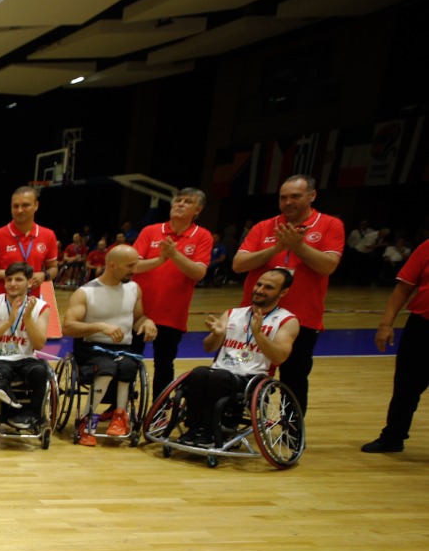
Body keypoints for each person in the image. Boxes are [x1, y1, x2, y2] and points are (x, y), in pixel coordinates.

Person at [232, 175, 344, 414]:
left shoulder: (330, 225)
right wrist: (276, 249)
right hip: (256, 316)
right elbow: (239, 264)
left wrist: (298, 246)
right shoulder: (263, 226)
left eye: (295, 196)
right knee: (241, 371)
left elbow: (328, 266)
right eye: (283, 197)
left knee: (294, 378)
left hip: (302, 318)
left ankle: (291, 435)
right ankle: (233, 426)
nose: (288, 202)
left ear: (312, 196)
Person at [180, 269, 298, 446]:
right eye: (259, 284)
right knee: (198, 373)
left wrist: (258, 334)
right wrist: (217, 335)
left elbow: (279, 356)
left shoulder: (287, 320)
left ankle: (216, 430)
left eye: (268, 287)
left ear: (283, 292)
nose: (260, 290)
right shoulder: (233, 313)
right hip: (220, 371)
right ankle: (194, 428)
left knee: (219, 378)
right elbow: (208, 347)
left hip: (252, 378)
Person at [61, 244, 156, 444]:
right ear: (112, 265)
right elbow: (68, 327)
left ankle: (120, 416)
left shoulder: (134, 288)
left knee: (129, 366)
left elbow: (138, 318)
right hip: (92, 348)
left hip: (123, 349)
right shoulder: (86, 292)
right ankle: (86, 420)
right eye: (130, 266)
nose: (134, 270)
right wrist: (99, 326)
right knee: (106, 368)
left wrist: (147, 322)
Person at [131, 188, 213, 394]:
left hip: (172, 315)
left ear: (198, 209)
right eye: (178, 200)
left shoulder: (202, 236)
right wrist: (160, 260)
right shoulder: (150, 231)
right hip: (137, 312)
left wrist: (174, 255)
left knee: (164, 364)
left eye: (187, 201)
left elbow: (199, 273)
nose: (180, 204)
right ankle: (118, 408)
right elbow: (133, 266)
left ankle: (159, 411)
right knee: (128, 361)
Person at [361, 238, 429, 453]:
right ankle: (393, 437)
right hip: (423, 326)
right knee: (406, 386)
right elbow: (404, 287)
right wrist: (385, 324)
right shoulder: (427, 247)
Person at [0, 261, 52, 427]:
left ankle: (32, 415)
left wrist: (27, 319)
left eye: (18, 279)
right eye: (9, 279)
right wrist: (8, 322)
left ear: (30, 282)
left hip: (26, 358)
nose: (12, 284)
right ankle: (4, 402)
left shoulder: (41, 307)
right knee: (2, 371)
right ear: (4, 282)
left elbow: (39, 344)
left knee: (40, 372)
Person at [0, 185, 59, 299]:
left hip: (31, 304)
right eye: (15, 206)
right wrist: (9, 274)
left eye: (25, 205)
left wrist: (44, 275)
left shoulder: (48, 235)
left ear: (36, 205)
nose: (19, 210)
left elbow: (53, 268)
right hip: (0, 306)